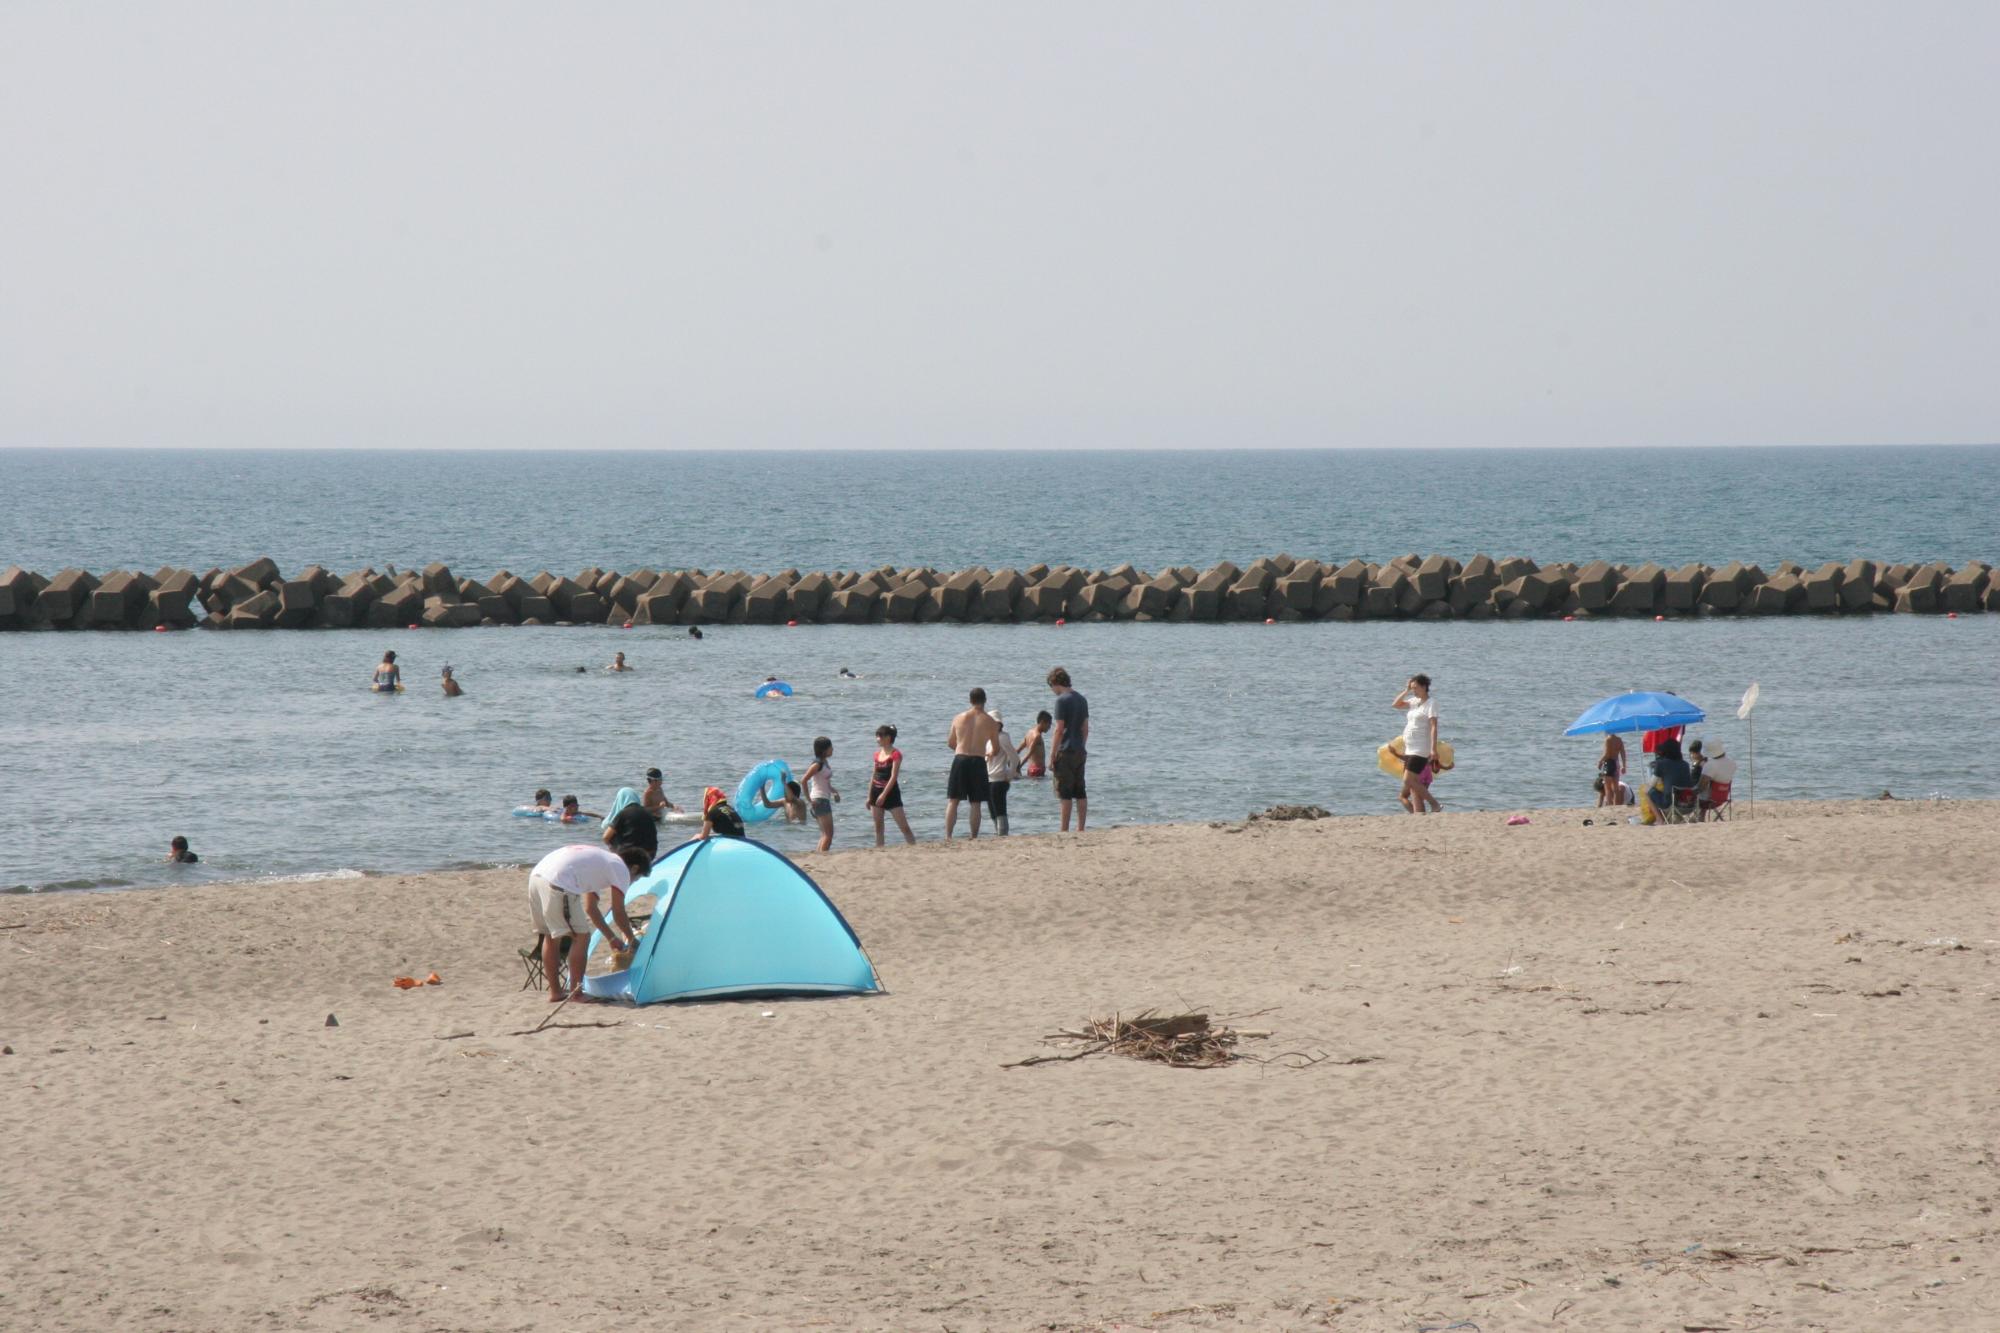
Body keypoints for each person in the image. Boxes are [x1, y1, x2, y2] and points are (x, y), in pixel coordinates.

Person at [526, 843, 647, 1003]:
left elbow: (591, 909)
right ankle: (576, 993)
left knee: (551, 936)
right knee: (581, 937)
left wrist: (611, 938)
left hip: (537, 877)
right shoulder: (621, 868)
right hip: (559, 883)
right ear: (634, 868)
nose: (632, 882)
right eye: (636, 879)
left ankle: (556, 993)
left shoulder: (601, 863)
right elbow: (618, 911)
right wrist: (632, 939)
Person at [944, 688, 1000, 839]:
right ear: (985, 700)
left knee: (953, 800)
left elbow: (950, 742)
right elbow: (996, 748)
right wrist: (989, 753)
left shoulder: (958, 718)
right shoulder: (991, 722)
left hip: (960, 759)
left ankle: (948, 835)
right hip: (978, 760)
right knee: (975, 802)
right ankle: (973, 836)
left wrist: (962, 749)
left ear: (970, 700)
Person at [1391, 674, 1441, 815]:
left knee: (1408, 780)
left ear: (1424, 687)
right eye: (1412, 688)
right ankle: (1420, 811)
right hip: (1410, 749)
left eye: (1415, 688)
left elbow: (1433, 727)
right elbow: (1395, 705)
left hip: (1420, 748)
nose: (1414, 691)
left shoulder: (1431, 703)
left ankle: (1435, 804)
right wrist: (1406, 690)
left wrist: (1433, 749)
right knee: (1410, 782)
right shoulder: (1413, 701)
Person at [1047, 667, 1090, 832]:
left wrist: (1052, 754)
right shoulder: (1081, 699)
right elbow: (1085, 728)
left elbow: (1059, 729)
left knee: (1064, 793)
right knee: (1080, 791)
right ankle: (1081, 828)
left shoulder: (1061, 700)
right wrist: (1082, 745)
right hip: (1079, 749)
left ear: (1055, 683)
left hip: (1065, 750)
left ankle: (1064, 829)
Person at [868, 725, 916, 846]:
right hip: (875, 791)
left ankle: (913, 847)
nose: (877, 739)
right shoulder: (877, 754)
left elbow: (894, 777)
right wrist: (869, 797)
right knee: (878, 828)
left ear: (888, 737)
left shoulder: (896, 754)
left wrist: (884, 795)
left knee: (904, 827)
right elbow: (873, 775)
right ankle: (880, 850)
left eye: (880, 736)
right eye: (877, 736)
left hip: (891, 793)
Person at [986, 709, 1022, 836]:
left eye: (995, 723)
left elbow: (1015, 758)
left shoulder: (1003, 737)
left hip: (1000, 779)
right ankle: (998, 833)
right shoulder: (989, 739)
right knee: (992, 810)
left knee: (1000, 809)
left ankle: (1002, 835)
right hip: (989, 779)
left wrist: (1010, 775)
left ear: (1000, 724)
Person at [801, 736, 840, 851]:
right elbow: (803, 780)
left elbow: (825, 783)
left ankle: (818, 857)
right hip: (819, 800)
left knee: (824, 834)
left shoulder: (825, 762)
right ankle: (823, 858)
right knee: (828, 835)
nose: (832, 749)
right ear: (824, 750)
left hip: (823, 799)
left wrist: (834, 792)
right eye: (830, 747)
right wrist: (809, 799)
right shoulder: (817, 764)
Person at [600, 787, 659, 860]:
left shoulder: (623, 813)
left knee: (612, 835)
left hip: (630, 857)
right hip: (650, 855)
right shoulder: (647, 813)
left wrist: (612, 849)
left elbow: (605, 837)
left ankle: (618, 860)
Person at [1647, 737, 1695, 821]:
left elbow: (1651, 785)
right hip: (1689, 804)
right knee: (1670, 791)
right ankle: (1675, 818)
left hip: (1670, 804)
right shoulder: (1685, 764)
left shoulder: (1661, 764)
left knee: (1649, 792)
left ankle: (1660, 820)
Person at [1697, 742, 1738, 817]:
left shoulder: (1710, 765)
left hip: (1708, 800)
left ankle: (1698, 817)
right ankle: (1700, 816)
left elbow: (1701, 787)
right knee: (1707, 791)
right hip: (1723, 797)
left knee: (1693, 794)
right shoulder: (1732, 763)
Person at [1015, 710, 1053, 779]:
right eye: (1049, 724)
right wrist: (1018, 767)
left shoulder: (1029, 733)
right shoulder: (1037, 736)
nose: (1049, 727)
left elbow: (1018, 750)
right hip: (1037, 770)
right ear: (1042, 722)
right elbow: (1029, 754)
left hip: (1031, 769)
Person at [1596, 734, 1628, 808]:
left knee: (1608, 788)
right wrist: (1624, 766)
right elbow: (1623, 753)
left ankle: (1610, 806)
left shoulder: (1608, 739)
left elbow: (1607, 754)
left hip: (1609, 764)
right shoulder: (1619, 740)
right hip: (1616, 763)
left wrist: (1600, 762)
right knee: (1616, 788)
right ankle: (1616, 806)